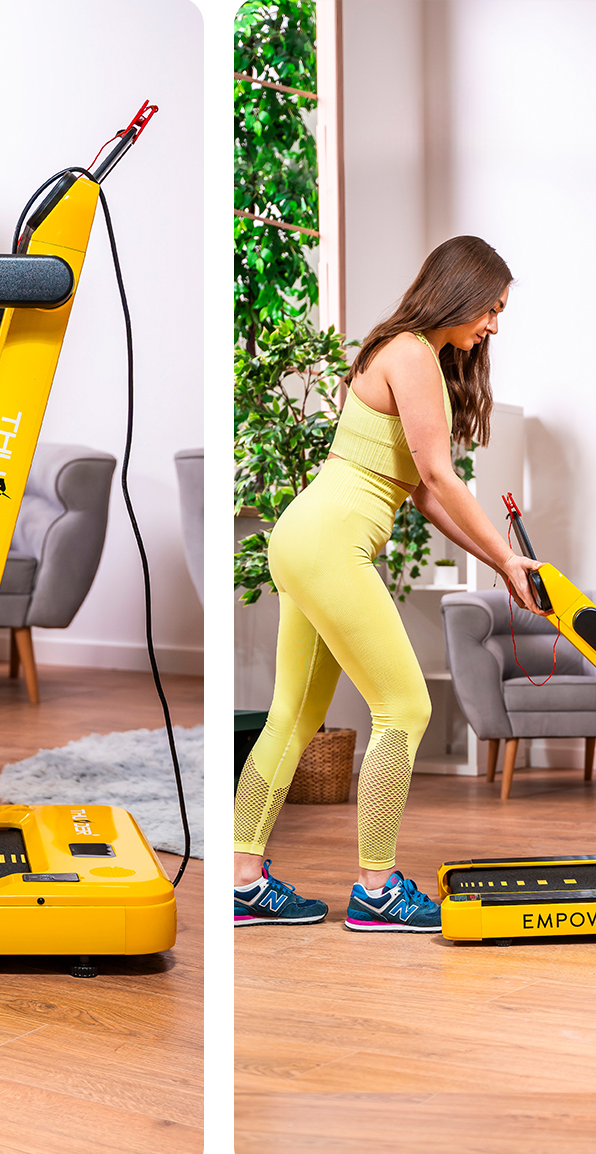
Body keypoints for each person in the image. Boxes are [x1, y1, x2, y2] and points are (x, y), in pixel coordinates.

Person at [232, 235, 547, 934]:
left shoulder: (408, 353)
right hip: (328, 544)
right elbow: (438, 475)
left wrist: (500, 562)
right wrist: (506, 558)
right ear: (460, 291)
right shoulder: (410, 353)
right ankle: (377, 890)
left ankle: (242, 881)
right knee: (404, 707)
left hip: (306, 538)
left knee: (292, 717)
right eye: (491, 308)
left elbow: (425, 495)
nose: (493, 325)